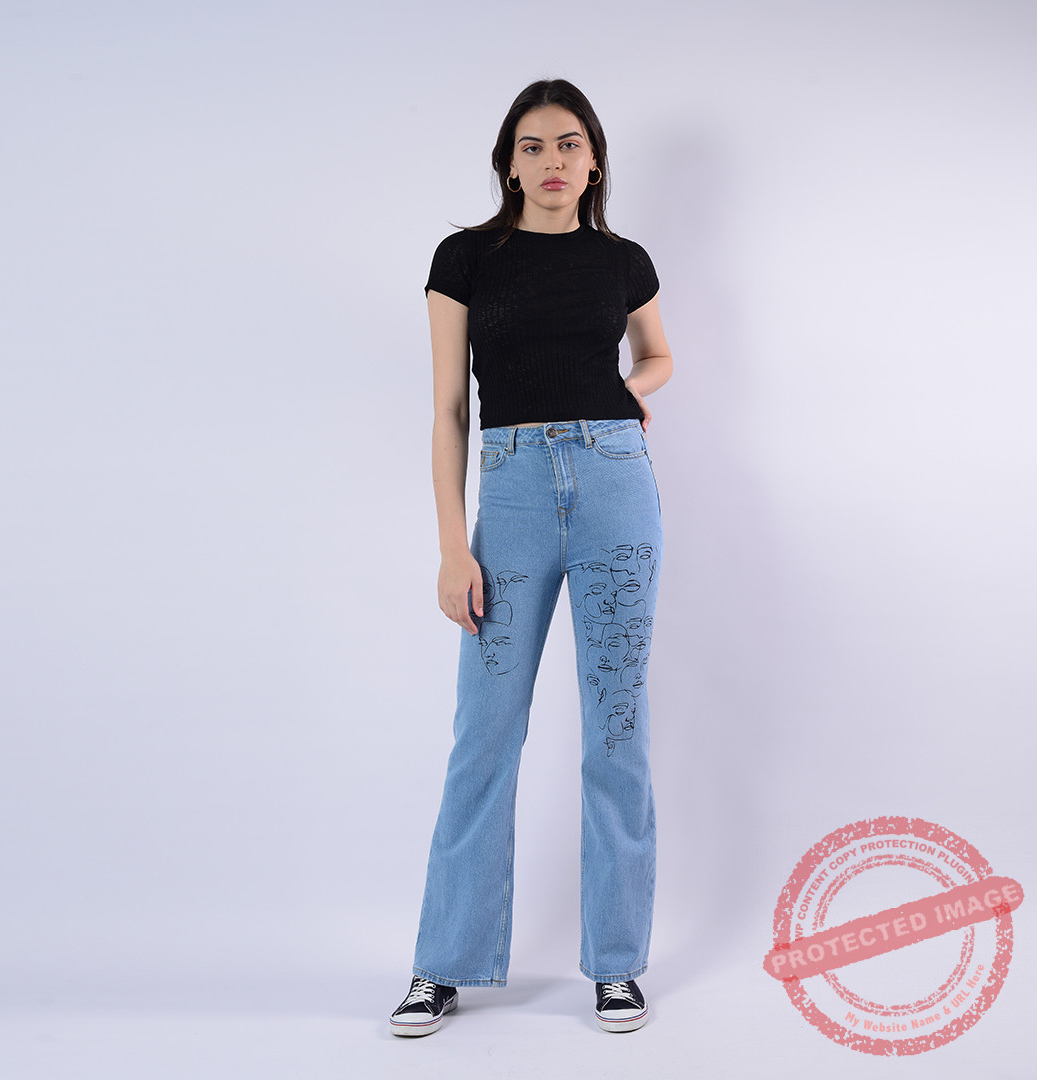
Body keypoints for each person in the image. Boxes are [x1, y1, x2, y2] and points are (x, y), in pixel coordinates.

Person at [390, 78, 673, 1036]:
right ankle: (444, 962)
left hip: (615, 488)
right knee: (485, 729)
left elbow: (658, 355)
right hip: (509, 497)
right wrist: (451, 546)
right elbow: (447, 410)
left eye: (570, 144)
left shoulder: (623, 261)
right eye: (533, 146)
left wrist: (633, 392)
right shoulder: (466, 258)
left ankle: (617, 965)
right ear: (509, 164)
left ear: (594, 160)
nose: (553, 161)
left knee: (616, 729)